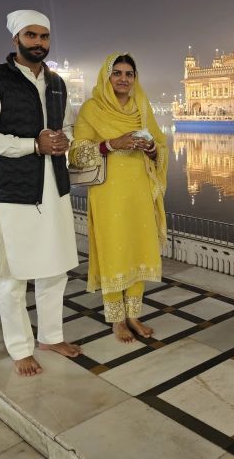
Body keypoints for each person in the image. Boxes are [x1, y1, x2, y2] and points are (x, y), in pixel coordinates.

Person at [0, 9, 82, 376]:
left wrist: (64, 140)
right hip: (13, 190)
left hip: (54, 188)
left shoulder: (57, 83)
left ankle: (51, 336)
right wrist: (32, 144)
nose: (38, 43)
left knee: (56, 268)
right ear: (16, 39)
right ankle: (19, 348)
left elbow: (66, 127)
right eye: (31, 35)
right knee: (13, 274)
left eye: (44, 36)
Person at [68, 54, 167, 343]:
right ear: (106, 77)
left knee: (137, 247)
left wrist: (151, 149)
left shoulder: (142, 106)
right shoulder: (92, 108)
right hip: (108, 193)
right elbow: (76, 154)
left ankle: (134, 315)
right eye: (118, 73)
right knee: (113, 249)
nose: (124, 79)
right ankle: (116, 319)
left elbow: (161, 145)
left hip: (139, 190)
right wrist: (112, 144)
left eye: (129, 74)